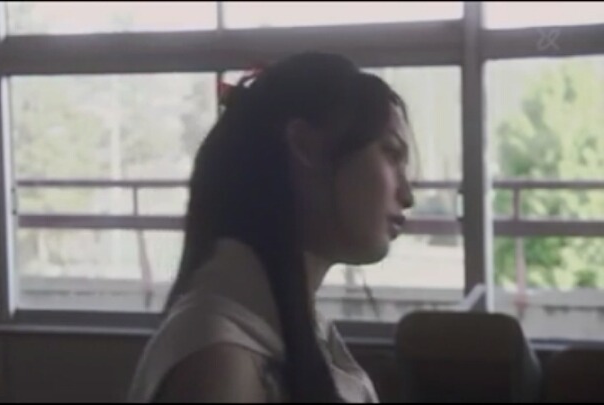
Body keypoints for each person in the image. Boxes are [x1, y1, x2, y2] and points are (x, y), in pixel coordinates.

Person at [127, 52, 414, 403]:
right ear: (306, 146)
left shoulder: (282, 324)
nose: (407, 195)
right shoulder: (220, 362)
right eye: (391, 154)